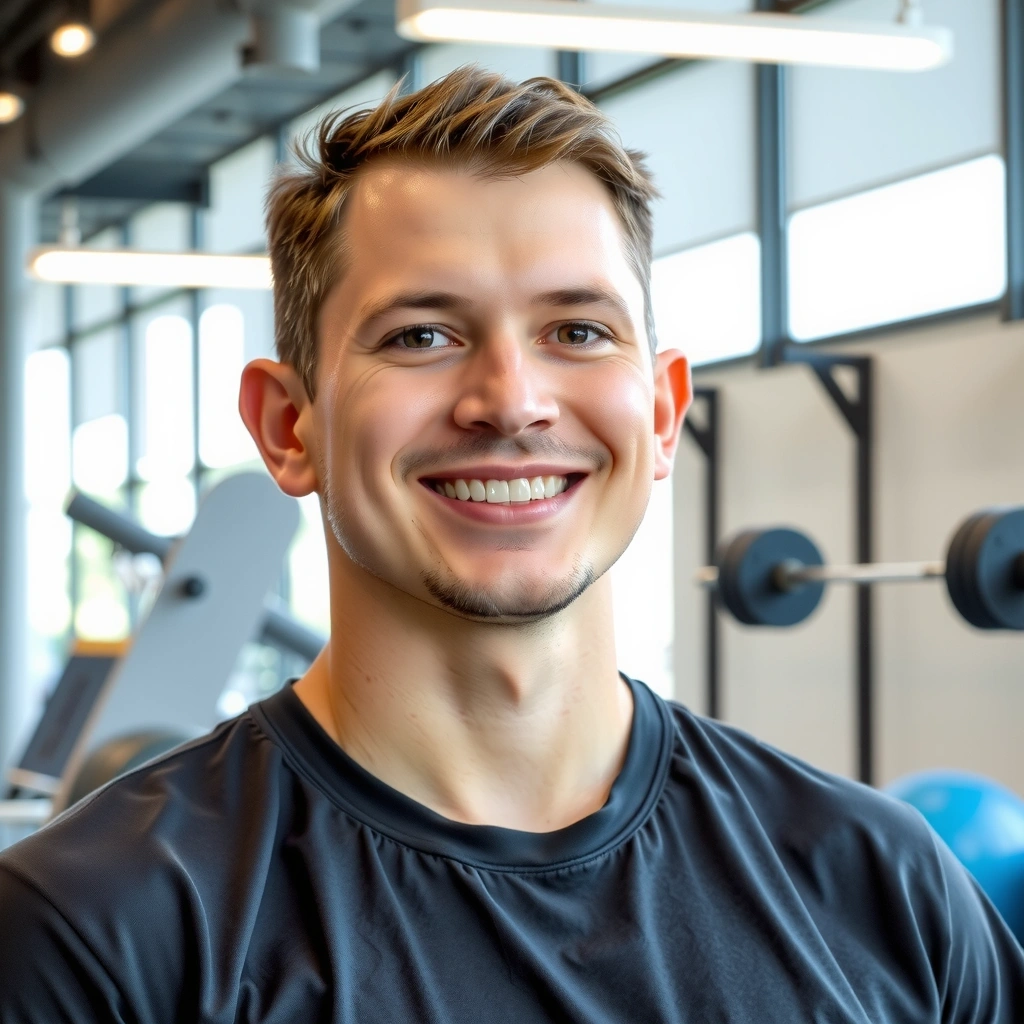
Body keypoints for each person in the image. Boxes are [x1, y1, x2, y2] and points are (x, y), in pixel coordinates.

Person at [1, 66, 1021, 1024]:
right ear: (287, 426)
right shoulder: (93, 930)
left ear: (663, 414)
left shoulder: (886, 886)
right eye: (421, 336)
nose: (512, 402)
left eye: (576, 330)